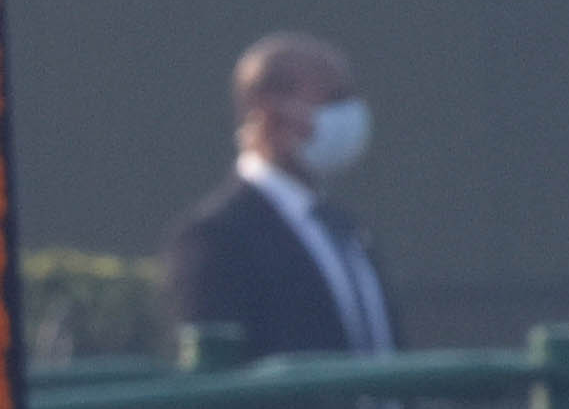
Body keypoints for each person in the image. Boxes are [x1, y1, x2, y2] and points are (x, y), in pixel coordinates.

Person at [158, 31, 402, 366]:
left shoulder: (348, 231)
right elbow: (219, 382)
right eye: (332, 100)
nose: (349, 115)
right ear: (269, 111)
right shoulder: (216, 237)